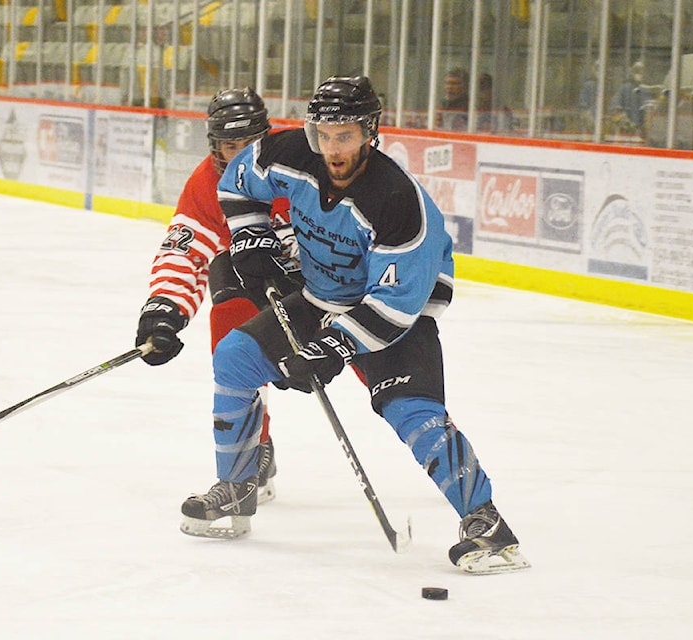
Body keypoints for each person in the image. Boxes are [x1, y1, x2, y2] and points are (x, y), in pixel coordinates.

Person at [179, 75, 530, 575]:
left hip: (397, 313)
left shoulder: (398, 203)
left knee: (411, 410)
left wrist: (331, 348)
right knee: (235, 359)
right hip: (321, 295)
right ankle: (237, 490)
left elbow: (392, 309)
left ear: (369, 131)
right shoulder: (290, 152)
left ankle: (486, 523)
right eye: (323, 133)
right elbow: (237, 179)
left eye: (344, 135)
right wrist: (251, 236)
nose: (331, 147)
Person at [135, 87, 300, 504]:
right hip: (257, 282)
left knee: (381, 359)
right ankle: (252, 451)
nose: (241, 154)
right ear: (215, 146)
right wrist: (164, 310)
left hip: (324, 284)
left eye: (250, 143)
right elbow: (185, 251)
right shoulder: (207, 183)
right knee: (228, 316)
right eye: (230, 145)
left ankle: (430, 435)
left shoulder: (302, 161)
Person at [439, 67, 469, 131]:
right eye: (447, 83)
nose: (449, 87)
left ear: (465, 86)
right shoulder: (443, 105)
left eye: (454, 84)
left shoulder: (470, 108)